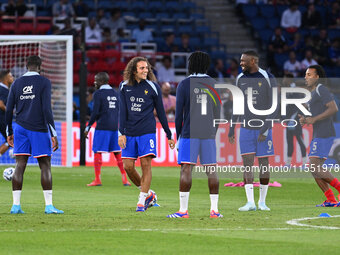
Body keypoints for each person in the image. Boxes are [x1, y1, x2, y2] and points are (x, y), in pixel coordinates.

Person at [167, 51, 222, 218]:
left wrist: (178, 136)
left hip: (189, 133)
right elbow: (218, 113)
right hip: (208, 133)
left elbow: (178, 115)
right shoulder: (214, 83)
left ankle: (183, 211)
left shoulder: (184, 84)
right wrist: (213, 133)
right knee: (211, 170)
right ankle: (215, 210)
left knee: (186, 169)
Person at [5, 56, 63, 214]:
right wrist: (54, 133)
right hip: (38, 128)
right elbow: (46, 109)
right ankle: (49, 206)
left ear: (26, 66)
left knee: (19, 165)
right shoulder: (44, 82)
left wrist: (9, 131)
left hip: (20, 128)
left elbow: (9, 109)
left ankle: (15, 206)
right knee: (45, 165)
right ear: (39, 66)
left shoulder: (16, 83)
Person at [118, 56, 175, 212]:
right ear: (134, 70)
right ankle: (148, 193)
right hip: (129, 132)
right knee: (128, 167)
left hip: (147, 132)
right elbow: (122, 112)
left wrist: (169, 135)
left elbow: (161, 113)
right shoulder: (123, 86)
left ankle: (141, 201)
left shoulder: (153, 87)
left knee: (145, 165)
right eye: (142, 68)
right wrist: (120, 133)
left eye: (146, 68)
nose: (145, 70)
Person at [228, 50, 277, 212]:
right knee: (247, 164)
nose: (240, 63)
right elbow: (237, 104)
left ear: (253, 61)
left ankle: (262, 202)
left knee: (264, 164)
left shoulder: (268, 77)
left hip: (263, 128)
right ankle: (250, 202)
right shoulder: (240, 79)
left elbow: (275, 104)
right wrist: (231, 127)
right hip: (246, 128)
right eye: (240, 60)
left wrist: (265, 128)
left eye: (243, 61)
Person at [299, 65, 340, 207]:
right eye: (305, 74)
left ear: (317, 77)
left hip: (324, 132)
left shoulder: (321, 89)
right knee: (314, 168)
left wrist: (314, 119)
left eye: (309, 74)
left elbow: (334, 108)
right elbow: (316, 115)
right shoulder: (314, 93)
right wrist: (306, 119)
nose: (306, 77)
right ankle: (331, 199)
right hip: (319, 133)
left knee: (314, 166)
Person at [84, 72, 131, 187]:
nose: (94, 82)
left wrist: (88, 126)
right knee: (117, 153)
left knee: (97, 152)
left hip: (102, 127)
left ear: (101, 81)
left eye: (96, 80)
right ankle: (125, 179)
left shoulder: (98, 93)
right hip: (115, 127)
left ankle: (97, 179)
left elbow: (95, 112)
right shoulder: (115, 93)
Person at [282, 74, 307, 167]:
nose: (284, 79)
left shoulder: (295, 90)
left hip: (295, 120)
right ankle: (288, 163)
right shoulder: (286, 91)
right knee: (289, 142)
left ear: (289, 79)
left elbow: (298, 106)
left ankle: (304, 163)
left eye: (285, 78)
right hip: (288, 121)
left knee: (300, 141)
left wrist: (295, 117)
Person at [0, 70, 14, 156]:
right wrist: (9, 110)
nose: (12, 78)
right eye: (10, 76)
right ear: (5, 78)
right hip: (1, 119)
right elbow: (0, 104)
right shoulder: (4, 89)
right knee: (10, 140)